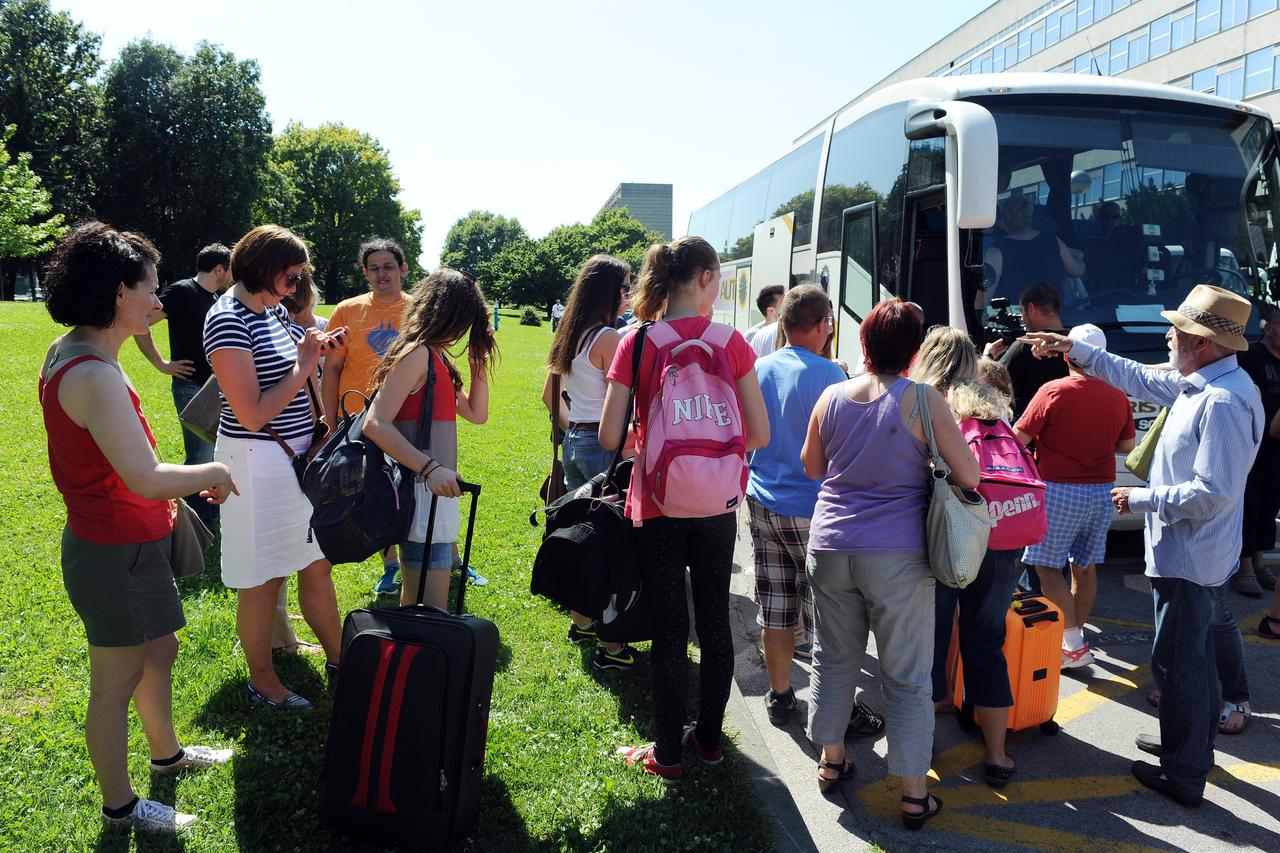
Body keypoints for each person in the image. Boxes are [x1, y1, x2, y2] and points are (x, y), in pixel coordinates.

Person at [1021, 284, 1263, 808]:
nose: (1168, 335)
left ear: (1201, 342)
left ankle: (1185, 770)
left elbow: (1211, 492)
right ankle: (1183, 745)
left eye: (1177, 329)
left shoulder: (1219, 399)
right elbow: (1136, 376)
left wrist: (1143, 498)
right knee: (1179, 660)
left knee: (1184, 664)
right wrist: (1073, 349)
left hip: (1192, 555)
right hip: (1188, 553)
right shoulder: (1203, 382)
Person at [41, 222, 238, 832]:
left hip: (127, 542)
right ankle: (122, 808)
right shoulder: (93, 374)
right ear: (119, 293)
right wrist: (215, 469)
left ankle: (167, 756)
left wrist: (181, 484)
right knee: (115, 679)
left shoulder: (81, 352)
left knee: (161, 649)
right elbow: (146, 476)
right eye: (151, 288)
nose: (160, 300)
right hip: (113, 549)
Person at [800, 298, 978, 829]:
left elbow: (813, 467)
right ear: (915, 351)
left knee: (833, 659)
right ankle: (913, 795)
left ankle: (831, 763)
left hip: (830, 547)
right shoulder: (925, 399)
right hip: (899, 556)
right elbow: (968, 475)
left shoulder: (831, 395)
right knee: (905, 676)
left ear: (863, 344)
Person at [605, 236, 769, 782]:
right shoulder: (732, 341)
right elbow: (761, 433)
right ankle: (708, 740)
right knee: (715, 621)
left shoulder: (639, 340)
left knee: (672, 630)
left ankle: (667, 756)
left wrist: (647, 441)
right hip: (719, 503)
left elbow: (610, 436)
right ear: (704, 278)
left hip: (656, 501)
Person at [204, 225, 347, 710]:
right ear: (263, 266)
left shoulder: (274, 312)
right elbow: (252, 412)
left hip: (294, 460)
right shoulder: (227, 318)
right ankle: (263, 679)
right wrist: (305, 366)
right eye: (291, 273)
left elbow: (297, 372)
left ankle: (340, 658)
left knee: (313, 561)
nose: (298, 281)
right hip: (254, 461)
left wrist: (319, 352)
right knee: (263, 578)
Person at [746, 285, 852, 725]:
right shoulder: (831, 376)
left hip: (762, 501)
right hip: (813, 509)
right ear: (823, 325)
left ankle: (780, 693)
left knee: (776, 608)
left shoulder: (757, 368)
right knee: (828, 616)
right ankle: (831, 712)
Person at [362, 268, 495, 610]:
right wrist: (430, 468)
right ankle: (414, 659)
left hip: (433, 488)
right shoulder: (418, 353)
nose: (464, 329)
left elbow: (476, 414)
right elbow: (375, 424)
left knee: (426, 602)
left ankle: (416, 655)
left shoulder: (438, 357)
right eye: (464, 319)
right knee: (426, 606)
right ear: (448, 313)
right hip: (419, 490)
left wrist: (477, 365)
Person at [1014, 324, 1135, 668]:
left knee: (1047, 568)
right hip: (1101, 492)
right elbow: (1127, 446)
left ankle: (1073, 644)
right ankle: (1075, 637)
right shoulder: (1117, 396)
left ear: (1067, 353)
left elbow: (1017, 439)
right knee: (1085, 568)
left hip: (1057, 490)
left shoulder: (1054, 390)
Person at [541, 254, 638, 670]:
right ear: (610, 292)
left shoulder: (571, 334)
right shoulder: (611, 339)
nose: (629, 295)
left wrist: (577, 427)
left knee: (586, 537)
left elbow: (549, 397)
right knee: (614, 548)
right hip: (606, 446)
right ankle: (612, 646)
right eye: (626, 287)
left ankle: (581, 621)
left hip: (576, 442)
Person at [927, 376, 1024, 788]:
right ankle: (998, 755)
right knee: (987, 642)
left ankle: (925, 749)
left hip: (957, 540)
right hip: (1005, 542)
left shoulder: (952, 428)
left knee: (931, 642)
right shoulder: (1008, 434)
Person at [322, 239, 413, 596]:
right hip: (359, 419)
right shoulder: (346, 310)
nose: (381, 274)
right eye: (373, 268)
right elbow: (331, 369)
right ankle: (391, 566)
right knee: (375, 491)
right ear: (365, 273)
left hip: (407, 416)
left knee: (414, 486)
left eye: (388, 266)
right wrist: (330, 421)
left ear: (403, 269)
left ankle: (432, 559)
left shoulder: (419, 309)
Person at [132, 243, 233, 528]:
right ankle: (194, 522)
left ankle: (210, 513)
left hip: (214, 388)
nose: (233, 277)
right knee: (199, 455)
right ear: (219, 268)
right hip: (190, 387)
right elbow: (143, 322)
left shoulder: (214, 296)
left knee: (214, 453)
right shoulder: (181, 291)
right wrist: (162, 363)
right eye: (231, 270)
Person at [1232, 307, 1280, 596]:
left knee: (1269, 507)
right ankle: (1244, 567)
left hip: (1277, 451)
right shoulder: (1252, 356)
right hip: (1253, 447)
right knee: (1249, 505)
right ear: (1269, 328)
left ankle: (1261, 563)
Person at [985, 282, 1069, 419]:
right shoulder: (1076, 344)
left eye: (1021, 311)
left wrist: (987, 356)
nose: (1022, 318)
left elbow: (990, 380)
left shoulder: (1025, 345)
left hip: (1029, 433)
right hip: (1066, 428)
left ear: (1030, 308)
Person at [984, 195, 1084, 305]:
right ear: (1030, 215)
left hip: (1016, 320)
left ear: (1003, 220)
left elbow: (984, 297)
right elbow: (1077, 271)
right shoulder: (1055, 242)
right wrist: (1079, 258)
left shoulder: (995, 252)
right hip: (1054, 318)